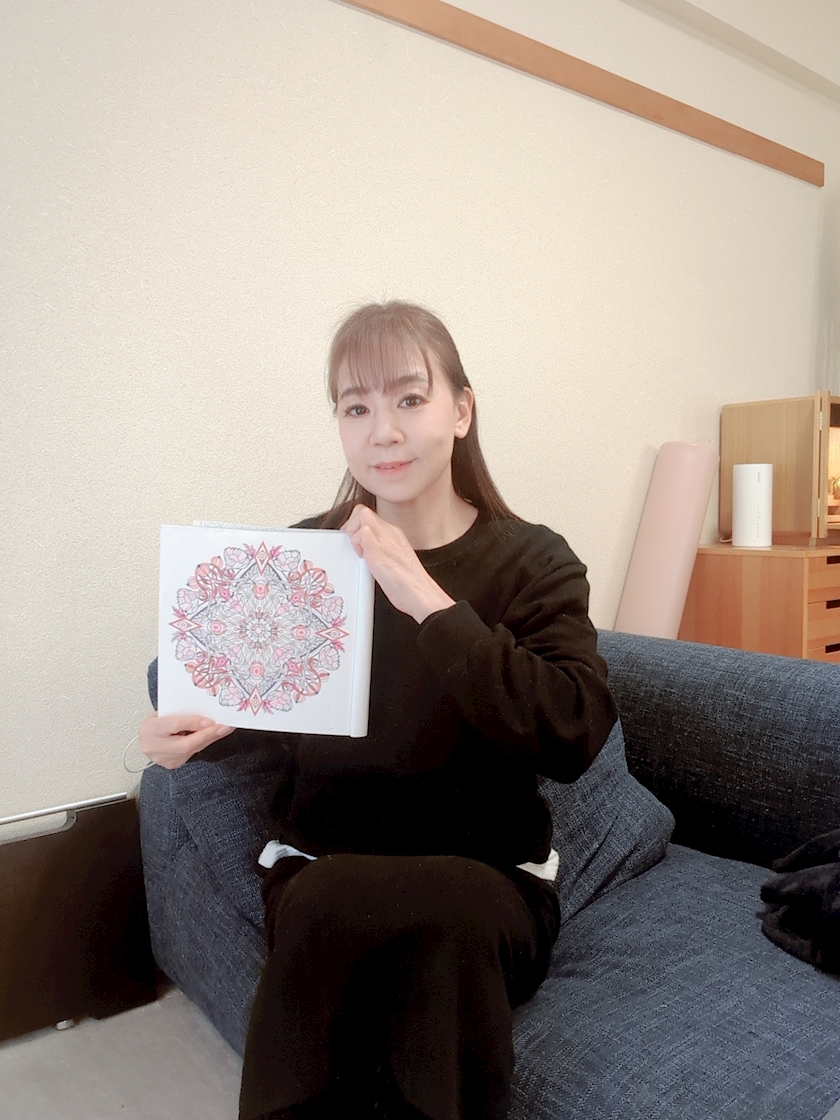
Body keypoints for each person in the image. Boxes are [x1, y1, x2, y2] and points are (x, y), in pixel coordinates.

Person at [139, 301, 617, 1120]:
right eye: (355, 407)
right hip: (326, 867)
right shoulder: (306, 557)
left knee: (448, 918)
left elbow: (572, 731)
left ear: (461, 410)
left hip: (489, 880)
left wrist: (423, 597)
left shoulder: (535, 561)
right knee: (329, 901)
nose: (382, 431)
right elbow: (271, 701)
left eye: (409, 399)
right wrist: (192, 733)